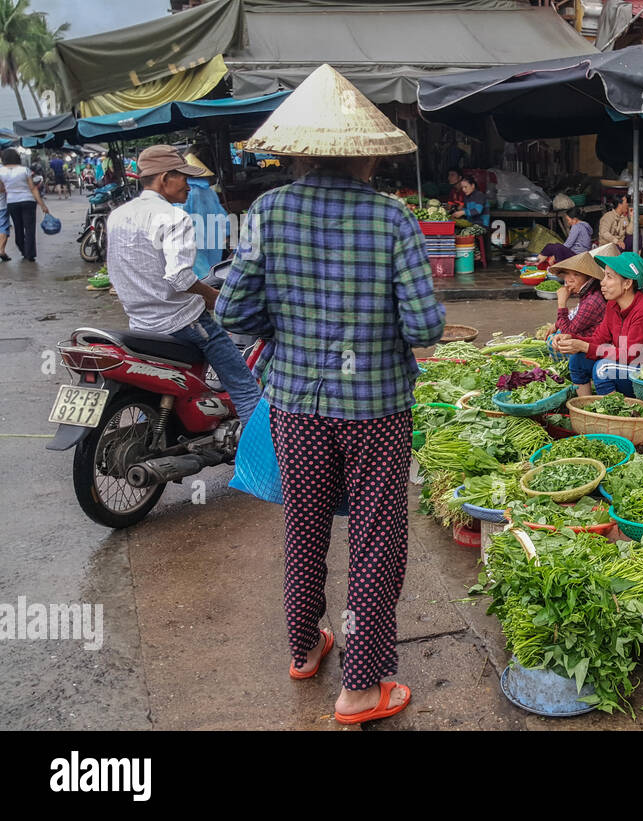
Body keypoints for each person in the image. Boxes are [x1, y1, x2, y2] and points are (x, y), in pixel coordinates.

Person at [215, 64, 445, 727]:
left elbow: (235, 308)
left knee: (304, 525)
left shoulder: (267, 210)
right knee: (376, 540)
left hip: (294, 403)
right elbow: (427, 326)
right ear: (367, 156)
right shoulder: (392, 219)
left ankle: (304, 647)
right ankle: (362, 687)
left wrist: (287, 333)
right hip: (375, 408)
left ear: (297, 150)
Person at [106, 145, 262, 421]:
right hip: (183, 323)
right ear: (165, 178)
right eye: (183, 178)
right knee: (245, 388)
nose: (189, 186)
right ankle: (259, 459)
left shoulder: (118, 216)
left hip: (140, 325)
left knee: (150, 390)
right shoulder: (174, 216)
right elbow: (179, 278)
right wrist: (213, 296)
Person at [551, 251, 643, 395]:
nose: (602, 282)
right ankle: (586, 409)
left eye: (609, 277)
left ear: (627, 283)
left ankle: (615, 414)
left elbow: (630, 355)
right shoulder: (613, 305)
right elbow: (599, 339)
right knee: (578, 360)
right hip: (631, 368)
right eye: (604, 275)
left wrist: (584, 346)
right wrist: (573, 340)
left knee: (603, 368)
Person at [548, 243, 615, 396]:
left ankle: (586, 400)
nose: (569, 280)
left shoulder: (593, 299)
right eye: (567, 275)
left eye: (576, 275)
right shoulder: (588, 294)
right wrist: (557, 323)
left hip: (607, 351)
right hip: (599, 344)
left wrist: (561, 303)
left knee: (570, 354)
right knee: (560, 340)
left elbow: (569, 330)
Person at [179, 153, 228, 281]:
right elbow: (223, 217)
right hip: (214, 240)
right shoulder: (210, 192)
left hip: (193, 240)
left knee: (199, 274)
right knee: (212, 272)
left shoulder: (184, 193)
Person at [0, 149, 51, 262]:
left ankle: (23, 249)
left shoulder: (1, 172)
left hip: (12, 202)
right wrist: (42, 205)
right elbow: (33, 188)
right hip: (28, 201)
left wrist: (9, 187)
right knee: (29, 228)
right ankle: (30, 254)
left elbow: (1, 189)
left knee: (18, 227)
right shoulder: (24, 170)